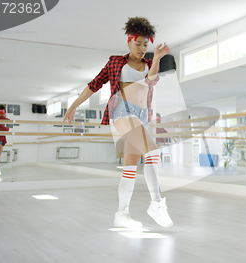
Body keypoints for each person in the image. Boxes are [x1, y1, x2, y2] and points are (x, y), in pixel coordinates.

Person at [63, 17, 173, 228]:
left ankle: (121, 214)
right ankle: (157, 203)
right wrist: (74, 105)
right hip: (121, 111)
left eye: (145, 45)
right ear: (129, 42)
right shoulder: (115, 62)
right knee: (153, 151)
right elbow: (94, 85)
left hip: (140, 116)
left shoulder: (150, 65)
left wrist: (157, 57)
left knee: (130, 167)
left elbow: (150, 82)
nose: (142, 48)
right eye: (137, 43)